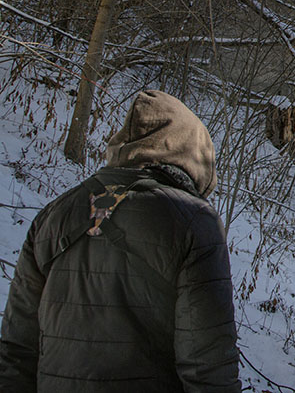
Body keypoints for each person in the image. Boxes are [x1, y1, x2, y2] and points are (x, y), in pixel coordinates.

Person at [0, 90, 240, 392]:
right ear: (191, 152)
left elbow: (17, 351)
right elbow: (207, 367)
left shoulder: (53, 215)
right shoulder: (193, 221)